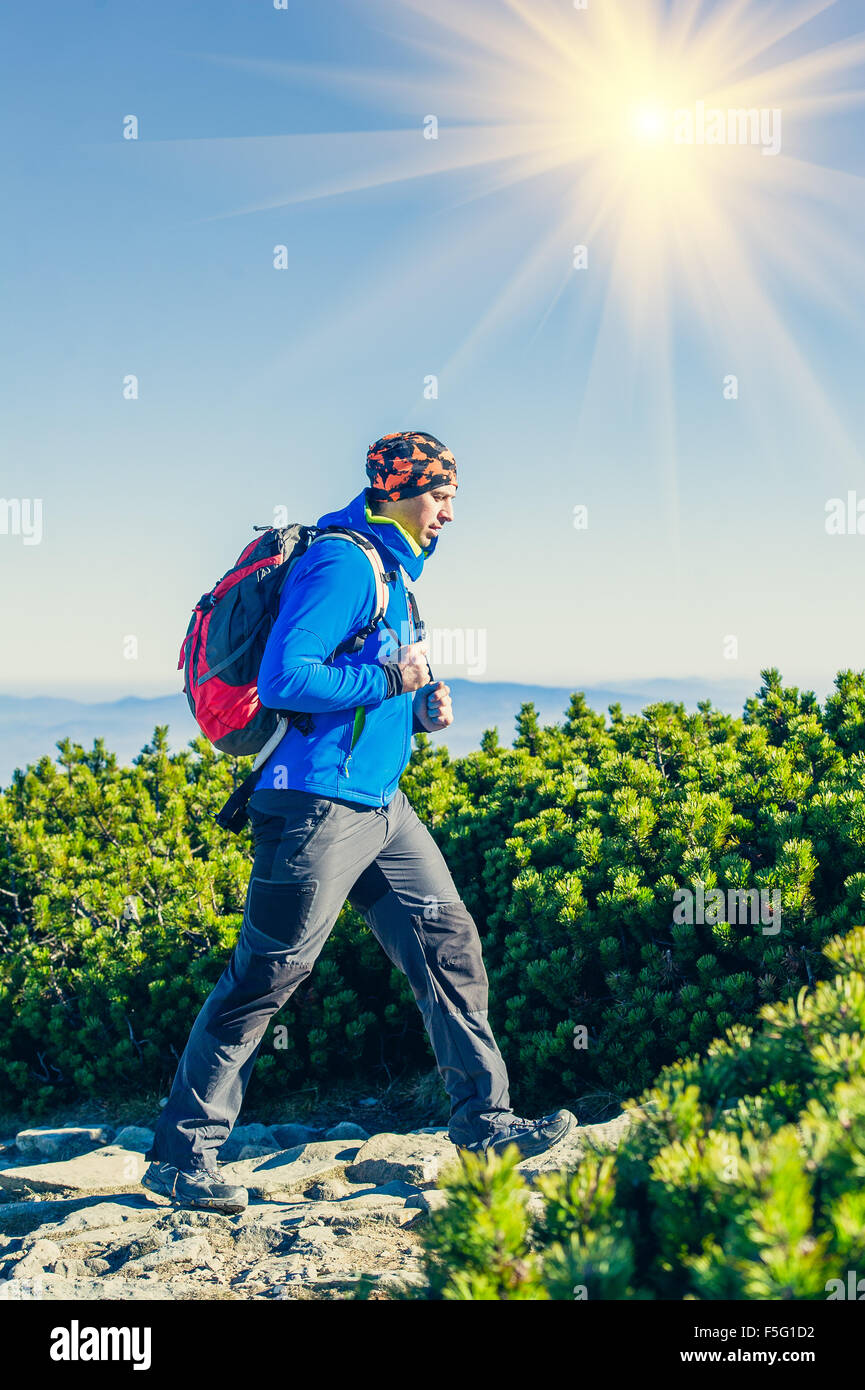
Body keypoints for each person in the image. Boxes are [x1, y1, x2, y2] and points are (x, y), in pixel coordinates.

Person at [143, 431, 575, 1212]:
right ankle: (181, 1157)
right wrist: (389, 676)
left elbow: (368, 688)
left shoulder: (395, 573)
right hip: (314, 805)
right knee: (268, 974)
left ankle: (486, 1122)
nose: (448, 512)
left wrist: (416, 708)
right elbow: (287, 674)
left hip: (380, 805)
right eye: (440, 496)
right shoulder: (346, 561)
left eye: (449, 497)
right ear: (401, 491)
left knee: (446, 943)